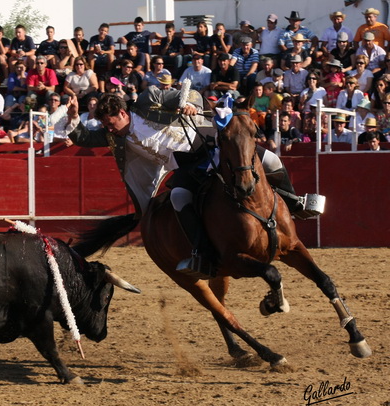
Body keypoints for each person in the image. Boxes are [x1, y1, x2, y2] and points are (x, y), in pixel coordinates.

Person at [65, 89, 321, 278]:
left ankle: (294, 202)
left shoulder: (144, 102)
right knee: (177, 198)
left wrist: (187, 103)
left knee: (273, 161)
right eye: (106, 126)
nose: (110, 130)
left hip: (207, 144)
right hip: (185, 164)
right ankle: (201, 252)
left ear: (122, 113)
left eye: (111, 124)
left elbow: (176, 94)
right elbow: (84, 138)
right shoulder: (115, 137)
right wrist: (75, 118)